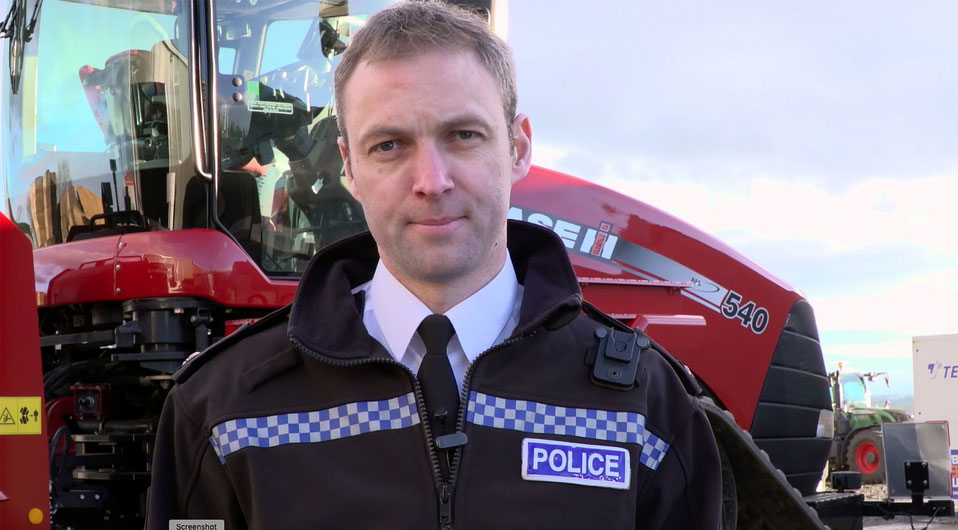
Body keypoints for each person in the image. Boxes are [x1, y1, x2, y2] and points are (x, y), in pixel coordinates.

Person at [146, 1, 722, 529]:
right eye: (389, 146)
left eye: (463, 135)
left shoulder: (643, 406)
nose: (432, 182)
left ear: (518, 147)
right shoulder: (222, 410)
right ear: (348, 165)